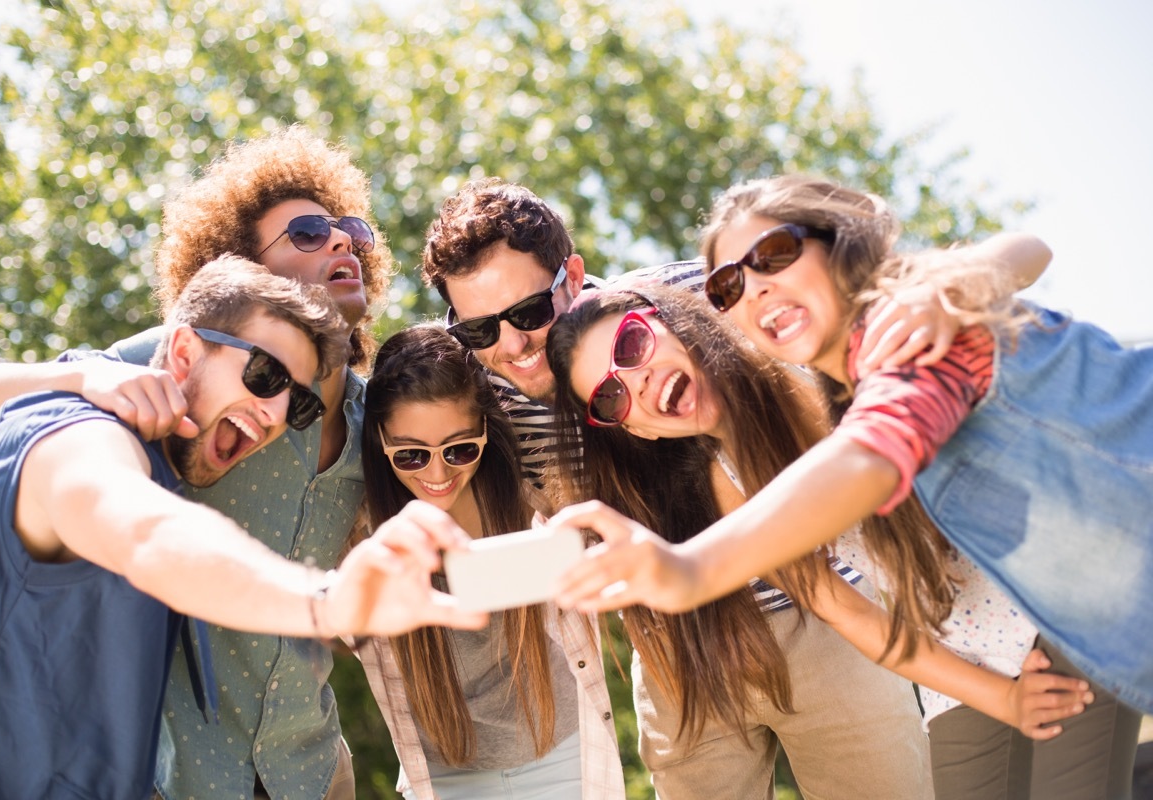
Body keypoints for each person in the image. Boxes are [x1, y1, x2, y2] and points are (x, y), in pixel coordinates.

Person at [549, 173, 1152, 732]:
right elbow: (855, 588)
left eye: (774, 255)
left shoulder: (909, 327)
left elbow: (869, 456)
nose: (756, 287)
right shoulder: (850, 386)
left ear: (839, 241)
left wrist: (690, 569)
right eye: (731, 285)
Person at [547, 284, 1132, 799]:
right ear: (637, 429)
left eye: (631, 346)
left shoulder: (807, 354)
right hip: (966, 650)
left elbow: (1014, 270)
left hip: (1056, 598)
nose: (637, 381)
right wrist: (1003, 699)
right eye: (610, 397)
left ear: (671, 322)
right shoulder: (731, 486)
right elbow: (848, 613)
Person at [0, 126, 392, 800]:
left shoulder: (381, 420)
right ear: (240, 266)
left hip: (307, 769)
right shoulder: (191, 369)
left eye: (348, 229)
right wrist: (85, 380)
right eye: (307, 232)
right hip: (173, 773)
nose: (340, 241)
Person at [0, 258, 484, 800]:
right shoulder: (76, 432)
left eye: (297, 401)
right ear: (183, 353)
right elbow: (148, 534)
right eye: (265, 375)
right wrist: (327, 601)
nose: (275, 413)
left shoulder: (175, 467)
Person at [419, 178, 1050, 486]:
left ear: (572, 275)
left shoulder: (704, 293)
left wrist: (941, 295)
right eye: (477, 330)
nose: (511, 344)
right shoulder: (472, 406)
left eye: (528, 312)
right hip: (681, 658)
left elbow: (1017, 253)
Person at [351, 324, 624, 799]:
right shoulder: (361, 530)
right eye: (411, 455)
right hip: (443, 775)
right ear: (378, 439)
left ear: (485, 429)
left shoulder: (534, 502)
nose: (438, 474)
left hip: (562, 755)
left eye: (460, 449)